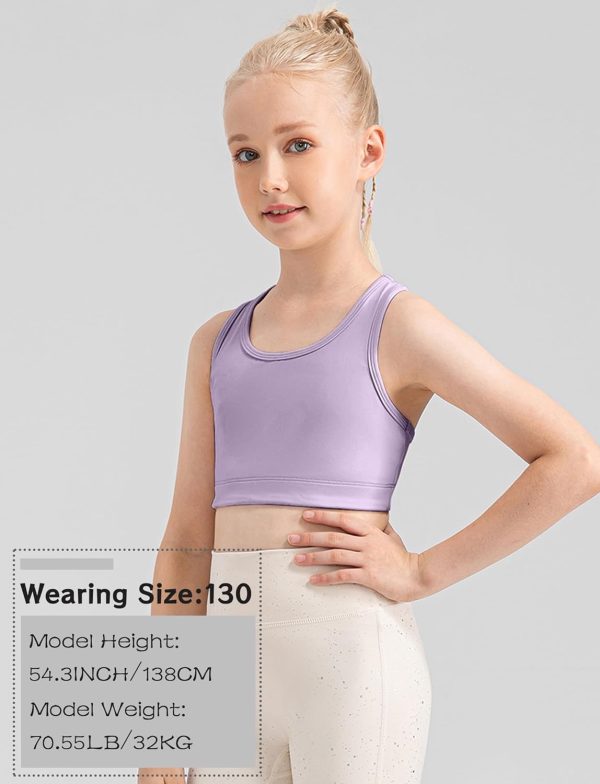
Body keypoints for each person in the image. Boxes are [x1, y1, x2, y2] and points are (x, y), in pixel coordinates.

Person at [138, 7, 600, 784]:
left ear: (368, 151)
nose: (269, 177)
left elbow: (575, 460)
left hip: (353, 673)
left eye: (298, 145)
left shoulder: (397, 326)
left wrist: (421, 571)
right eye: (246, 153)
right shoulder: (214, 344)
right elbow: (186, 537)